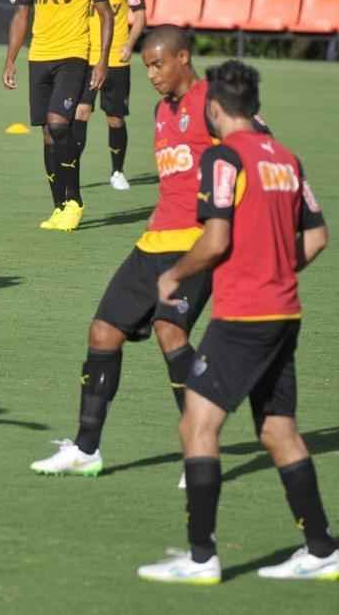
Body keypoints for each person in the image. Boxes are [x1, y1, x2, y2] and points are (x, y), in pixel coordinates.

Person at [138, 60, 337, 584]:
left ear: (216, 108)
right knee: (278, 431)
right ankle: (321, 549)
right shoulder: (287, 159)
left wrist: (175, 274)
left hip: (243, 316)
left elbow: (217, 239)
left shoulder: (225, 159)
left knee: (197, 424)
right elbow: (316, 238)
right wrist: (275, 268)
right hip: (284, 313)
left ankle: (201, 557)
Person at [30, 27, 223, 482]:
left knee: (169, 334)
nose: (152, 75)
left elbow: (256, 149)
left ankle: (200, 450)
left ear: (183, 57)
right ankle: (86, 449)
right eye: (147, 67)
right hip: (152, 242)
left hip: (194, 246)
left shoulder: (215, 102)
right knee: (103, 332)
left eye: (159, 65)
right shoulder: (161, 111)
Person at [2, 0, 112, 232]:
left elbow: (106, 13)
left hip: (73, 56)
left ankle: (75, 199)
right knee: (48, 135)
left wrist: (102, 59)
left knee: (59, 124)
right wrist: (11, 59)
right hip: (40, 57)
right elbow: (21, 15)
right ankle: (59, 207)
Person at [71, 0, 146, 191]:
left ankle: (117, 171)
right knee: (81, 113)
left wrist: (130, 44)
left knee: (114, 118)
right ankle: (73, 170)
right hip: (85, 58)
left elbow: (139, 14)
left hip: (115, 60)